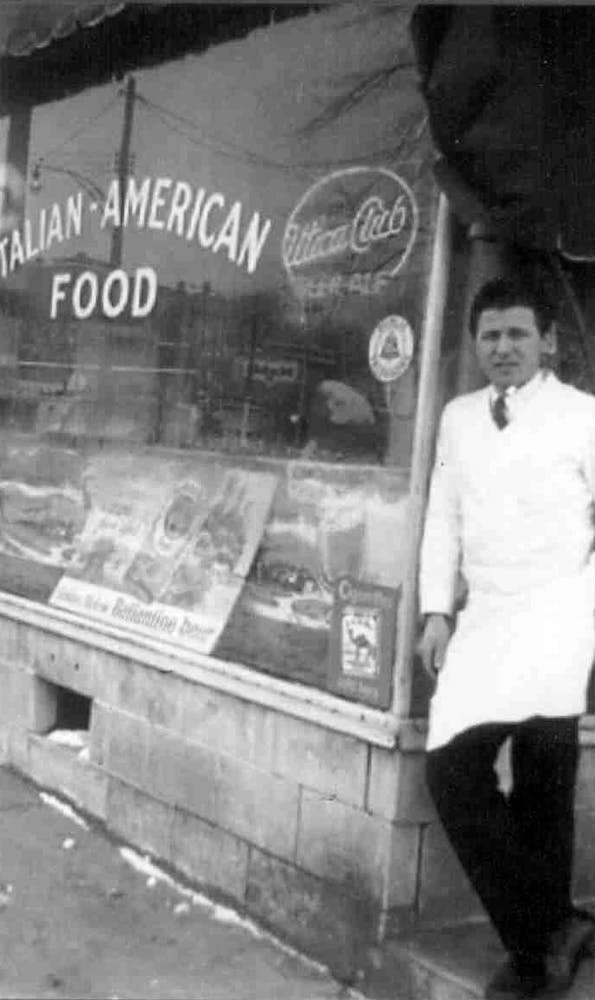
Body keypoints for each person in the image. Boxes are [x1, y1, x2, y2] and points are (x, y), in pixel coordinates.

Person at [418, 275, 595, 999]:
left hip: (561, 614)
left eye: (517, 333)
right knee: (451, 771)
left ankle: (533, 961)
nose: (502, 347)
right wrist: (437, 610)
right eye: (489, 335)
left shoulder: (584, 415)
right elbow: (441, 517)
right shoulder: (458, 418)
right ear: (474, 342)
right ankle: (548, 929)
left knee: (544, 784)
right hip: (485, 616)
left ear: (547, 341)